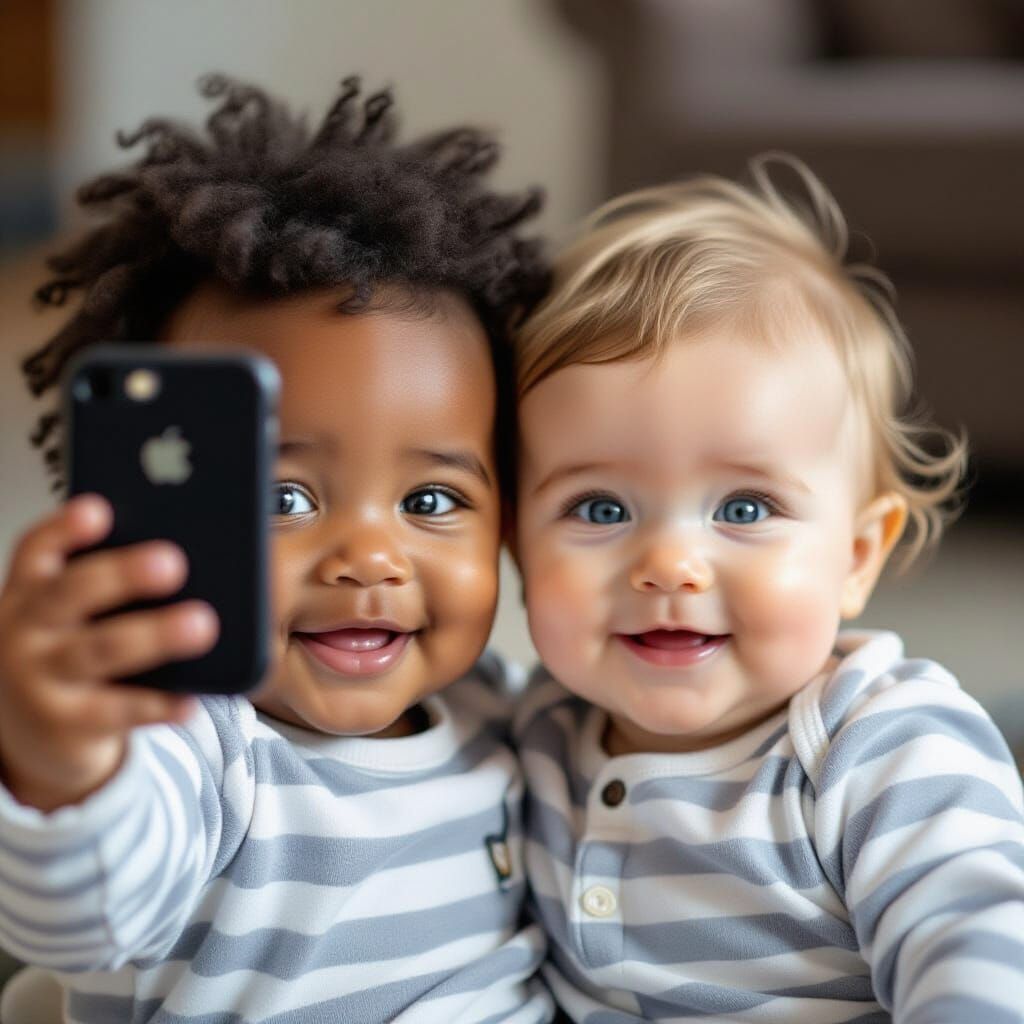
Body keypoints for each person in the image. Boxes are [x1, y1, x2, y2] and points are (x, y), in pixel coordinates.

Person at [0, 74, 555, 1022]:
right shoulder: (188, 740)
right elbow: (77, 918)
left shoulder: (506, 719)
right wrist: (60, 764)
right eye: (285, 496)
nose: (367, 557)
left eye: (430, 498)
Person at [511, 158, 1024, 1022]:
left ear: (858, 555)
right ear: (516, 548)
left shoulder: (884, 746)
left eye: (745, 507)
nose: (671, 563)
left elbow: (976, 948)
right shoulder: (528, 732)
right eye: (598, 506)